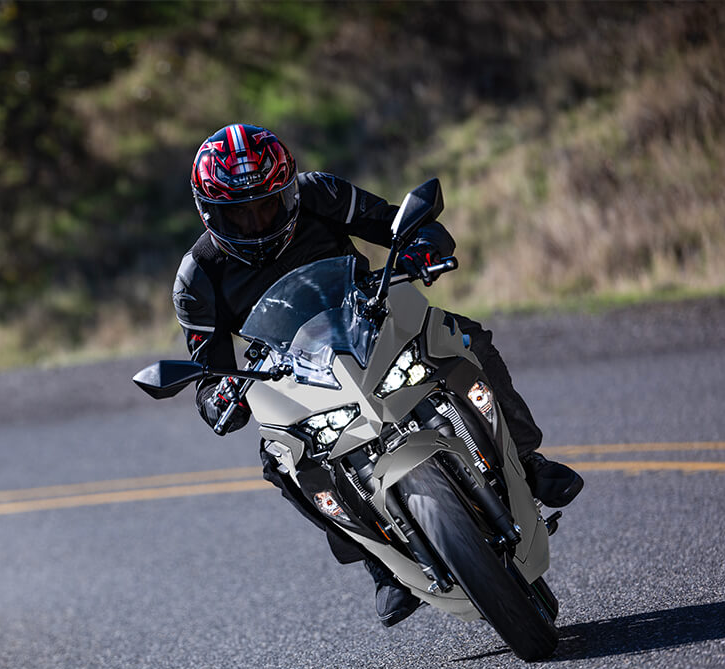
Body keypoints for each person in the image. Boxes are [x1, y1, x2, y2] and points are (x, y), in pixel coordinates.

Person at [173, 123, 583, 628]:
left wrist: (422, 246)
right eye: (240, 212)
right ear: (209, 213)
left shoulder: (320, 194)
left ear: (289, 191)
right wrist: (221, 396)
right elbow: (206, 377)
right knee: (279, 460)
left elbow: (401, 225)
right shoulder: (197, 276)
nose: (257, 221)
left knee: (466, 338)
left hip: (369, 321)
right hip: (294, 373)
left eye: (268, 205)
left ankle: (526, 459)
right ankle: (379, 561)